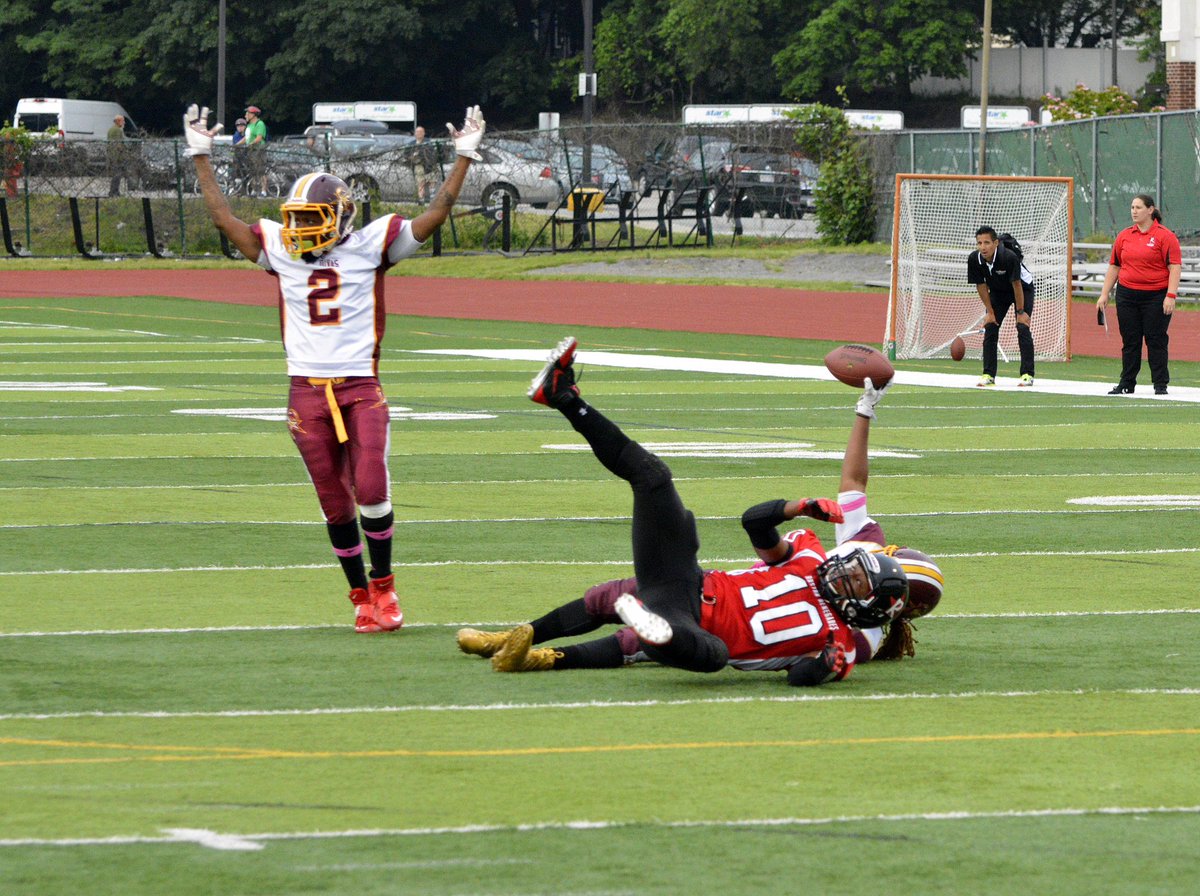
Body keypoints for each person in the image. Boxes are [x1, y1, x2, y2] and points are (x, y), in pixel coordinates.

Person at [183, 102, 486, 633]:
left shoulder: (372, 245)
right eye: (295, 220)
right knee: (333, 501)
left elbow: (434, 216)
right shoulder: (280, 248)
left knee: (370, 488)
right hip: (305, 391)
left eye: (310, 219)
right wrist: (202, 157)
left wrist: (462, 158)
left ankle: (386, 591)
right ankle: (359, 597)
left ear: (343, 216)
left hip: (360, 386)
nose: (298, 230)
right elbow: (221, 219)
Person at [459, 338, 910, 685]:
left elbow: (798, 676)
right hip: (685, 581)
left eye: (854, 580)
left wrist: (824, 668)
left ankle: (605, 639)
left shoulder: (843, 643)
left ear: (866, 609)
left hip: (693, 630)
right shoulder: (810, 557)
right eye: (853, 568)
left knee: (709, 654)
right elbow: (753, 521)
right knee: (654, 477)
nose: (843, 572)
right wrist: (799, 507)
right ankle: (562, 396)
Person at [1096, 194, 1181, 396]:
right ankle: (1127, 382)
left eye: (1138, 207)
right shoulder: (1124, 235)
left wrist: (1171, 295)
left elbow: (1174, 267)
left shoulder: (1165, 236)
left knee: (1155, 339)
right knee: (1130, 340)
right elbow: (1115, 265)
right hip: (1127, 295)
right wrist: (1104, 294)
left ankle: (1160, 384)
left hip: (1155, 296)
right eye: (1132, 207)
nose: (1134, 211)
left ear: (1150, 210)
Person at [967, 226, 1036, 387]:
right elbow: (981, 286)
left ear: (996, 243)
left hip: (1022, 289)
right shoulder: (974, 259)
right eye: (979, 243)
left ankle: (1027, 374)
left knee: (1022, 326)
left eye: (987, 243)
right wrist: (990, 312)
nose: (983, 247)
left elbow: (1017, 284)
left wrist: (1020, 312)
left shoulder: (1008, 257)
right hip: (998, 291)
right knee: (990, 326)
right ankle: (988, 374)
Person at [242, 105, 268, 197]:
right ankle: (254, 190)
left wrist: (251, 144)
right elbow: (246, 138)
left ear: (253, 114)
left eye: (247, 113)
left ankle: (263, 190)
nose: (246, 115)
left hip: (258, 150)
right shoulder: (249, 125)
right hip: (251, 151)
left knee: (261, 170)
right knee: (252, 171)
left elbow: (259, 138)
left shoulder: (259, 124)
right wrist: (237, 144)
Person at [412, 126, 440, 204]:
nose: (419, 134)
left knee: (432, 182)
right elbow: (406, 155)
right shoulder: (412, 144)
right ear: (415, 133)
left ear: (424, 133)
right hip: (419, 166)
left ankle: (432, 201)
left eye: (421, 132)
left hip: (430, 166)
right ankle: (421, 201)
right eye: (417, 132)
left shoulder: (429, 143)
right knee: (420, 184)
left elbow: (433, 154)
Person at [106, 114, 126, 197]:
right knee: (117, 175)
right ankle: (114, 192)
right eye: (123, 121)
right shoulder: (118, 130)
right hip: (117, 156)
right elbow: (118, 144)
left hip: (111, 155)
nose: (124, 123)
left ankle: (114, 191)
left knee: (115, 174)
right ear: (118, 121)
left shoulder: (110, 129)